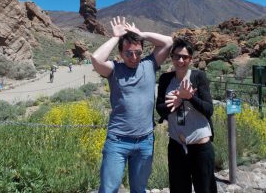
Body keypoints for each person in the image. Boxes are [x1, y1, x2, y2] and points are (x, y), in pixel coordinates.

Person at [91, 16, 172, 193]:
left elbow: (168, 42)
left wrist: (141, 34)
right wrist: (115, 37)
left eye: (137, 52)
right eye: (128, 53)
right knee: (108, 189)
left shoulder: (149, 64)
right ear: (121, 53)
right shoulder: (114, 69)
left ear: (142, 51)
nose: (134, 57)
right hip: (117, 141)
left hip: (145, 141)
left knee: (139, 189)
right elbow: (96, 59)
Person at [156, 38, 217, 193]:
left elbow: (209, 109)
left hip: (200, 147)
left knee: (205, 189)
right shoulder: (165, 79)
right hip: (177, 146)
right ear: (172, 57)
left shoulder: (198, 77)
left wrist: (189, 97)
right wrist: (176, 103)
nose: (180, 60)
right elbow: (160, 109)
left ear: (191, 59)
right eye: (177, 56)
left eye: (185, 57)